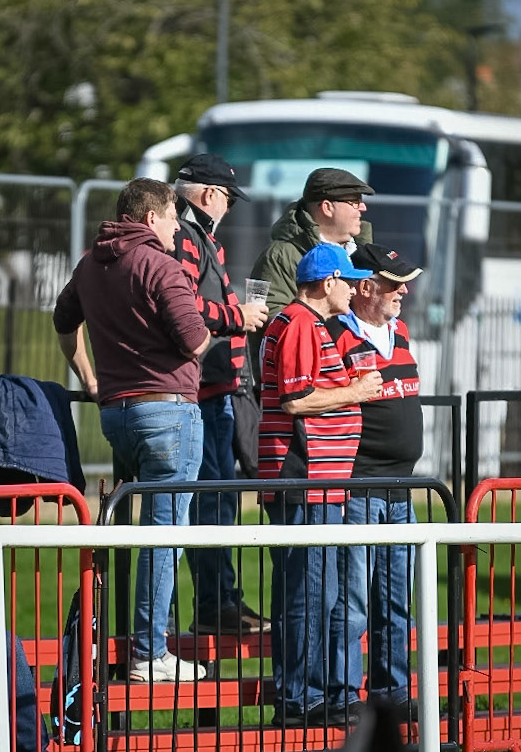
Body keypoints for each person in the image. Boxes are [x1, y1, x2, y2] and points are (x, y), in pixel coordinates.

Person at [53, 177, 211, 682]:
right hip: (167, 411)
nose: (176, 227)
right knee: (164, 535)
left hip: (116, 414)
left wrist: (91, 378)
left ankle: (132, 645)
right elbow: (193, 342)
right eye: (171, 216)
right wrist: (214, 328)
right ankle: (149, 653)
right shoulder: (161, 265)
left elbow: (62, 321)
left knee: (142, 533)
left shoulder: (91, 263)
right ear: (150, 219)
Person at [259, 242, 383, 727]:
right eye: (348, 281)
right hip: (304, 480)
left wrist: (350, 383)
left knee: (318, 591)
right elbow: (296, 400)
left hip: (319, 483)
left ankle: (309, 695)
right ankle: (299, 701)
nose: (354, 290)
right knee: (308, 594)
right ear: (328, 282)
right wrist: (354, 391)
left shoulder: (308, 325)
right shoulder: (299, 323)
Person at [172, 154, 270, 636]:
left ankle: (223, 600)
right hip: (205, 393)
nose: (229, 207)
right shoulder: (187, 238)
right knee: (212, 504)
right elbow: (183, 304)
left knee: (220, 501)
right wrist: (239, 317)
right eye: (228, 198)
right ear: (210, 194)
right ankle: (214, 605)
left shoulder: (196, 236)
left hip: (216, 390)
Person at [325, 243, 423, 719]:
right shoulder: (335, 333)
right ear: (365, 287)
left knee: (396, 600)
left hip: (401, 487)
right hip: (360, 486)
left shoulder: (400, 330)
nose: (402, 290)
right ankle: (344, 696)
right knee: (354, 601)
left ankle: (394, 695)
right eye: (393, 283)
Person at [249, 167, 374, 383]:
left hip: (354, 385)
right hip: (303, 388)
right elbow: (265, 319)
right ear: (327, 207)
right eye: (354, 201)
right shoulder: (279, 255)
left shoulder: (363, 253)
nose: (362, 208)